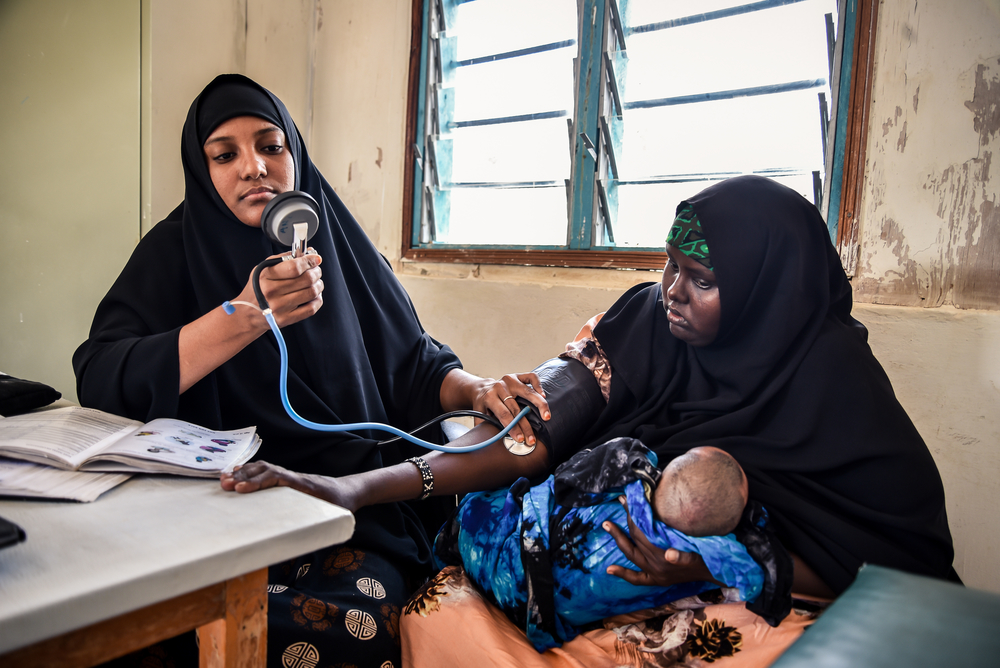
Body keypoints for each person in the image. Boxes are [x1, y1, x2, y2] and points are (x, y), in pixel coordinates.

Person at [226, 175, 956, 660]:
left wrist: (715, 566)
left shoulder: (835, 388)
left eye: (701, 280)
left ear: (774, 294)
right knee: (437, 615)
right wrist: (354, 489)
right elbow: (525, 438)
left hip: (750, 591)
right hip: (589, 559)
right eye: (668, 263)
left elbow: (889, 570)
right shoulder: (642, 322)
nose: (670, 290)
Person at [73, 74, 548, 668]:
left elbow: (415, 365)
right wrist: (242, 318)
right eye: (225, 155)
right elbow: (100, 376)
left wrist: (478, 389)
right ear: (202, 169)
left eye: (271, 147)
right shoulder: (172, 251)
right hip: (213, 511)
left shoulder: (340, 242)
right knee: (142, 629)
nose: (254, 168)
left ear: (294, 153)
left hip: (347, 515)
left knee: (348, 630)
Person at [436, 439, 772, 651]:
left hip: (500, 543)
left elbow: (568, 475)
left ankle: (442, 548)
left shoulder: (628, 476)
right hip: (533, 614)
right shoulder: (708, 558)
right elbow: (762, 576)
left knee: (477, 508)